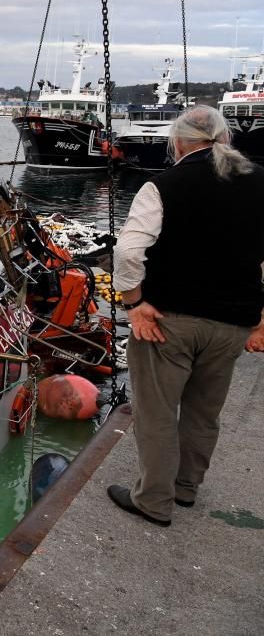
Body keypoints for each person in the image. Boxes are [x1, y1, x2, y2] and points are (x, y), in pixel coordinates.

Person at [108, 104, 264, 527]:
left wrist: (134, 304)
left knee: (157, 411)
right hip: (233, 324)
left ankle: (153, 501)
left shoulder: (164, 185)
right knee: (203, 412)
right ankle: (186, 489)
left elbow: (127, 252)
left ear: (177, 143)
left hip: (167, 323)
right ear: (226, 138)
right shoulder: (260, 183)